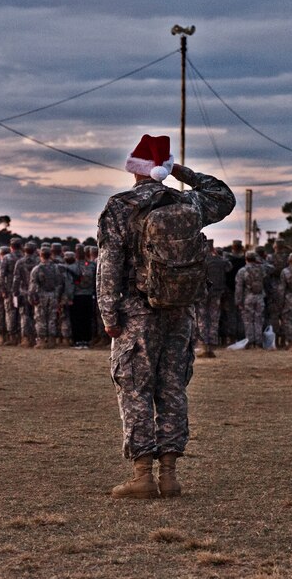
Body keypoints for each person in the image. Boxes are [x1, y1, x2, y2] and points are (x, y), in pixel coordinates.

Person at [97, 134, 235, 498]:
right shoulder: (188, 202)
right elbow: (224, 195)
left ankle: (142, 475)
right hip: (180, 308)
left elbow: (109, 264)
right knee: (172, 387)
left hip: (136, 311)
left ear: (134, 169)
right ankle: (170, 476)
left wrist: (108, 313)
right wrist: (177, 170)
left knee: (135, 388)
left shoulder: (121, 205)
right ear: (161, 168)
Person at [196, 240, 231, 357]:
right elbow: (229, 267)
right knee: (214, 319)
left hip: (203, 293)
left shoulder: (200, 260)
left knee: (201, 319)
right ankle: (211, 346)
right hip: (217, 293)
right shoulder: (220, 260)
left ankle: (204, 346)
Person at [29, 246, 65, 348]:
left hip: (41, 296)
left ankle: (41, 342)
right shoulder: (56, 268)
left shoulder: (37, 269)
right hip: (53, 296)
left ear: (40, 255)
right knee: (52, 319)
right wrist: (57, 296)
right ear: (50, 255)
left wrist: (32, 298)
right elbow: (60, 283)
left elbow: (33, 285)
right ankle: (52, 341)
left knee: (40, 319)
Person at [235, 250, 267, 348]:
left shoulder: (242, 271)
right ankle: (258, 342)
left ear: (246, 259)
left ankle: (250, 341)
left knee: (248, 321)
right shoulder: (262, 269)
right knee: (258, 320)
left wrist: (238, 301)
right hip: (259, 297)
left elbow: (239, 287)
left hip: (248, 298)